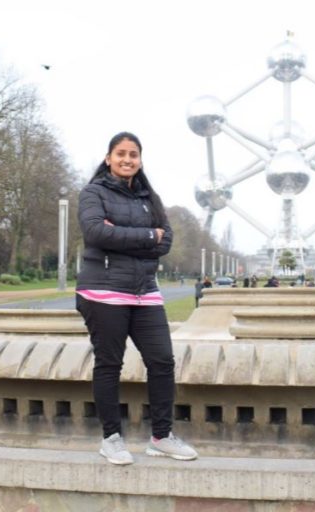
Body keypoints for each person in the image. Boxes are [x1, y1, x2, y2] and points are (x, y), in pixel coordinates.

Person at [75, 131, 197, 466]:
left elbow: (166, 240)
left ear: (140, 160)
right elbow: (97, 233)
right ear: (108, 157)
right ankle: (111, 438)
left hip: (145, 291)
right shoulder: (92, 193)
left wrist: (123, 236)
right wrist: (146, 235)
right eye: (121, 154)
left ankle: (161, 436)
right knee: (110, 363)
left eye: (134, 154)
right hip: (103, 290)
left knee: (162, 361)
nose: (127, 160)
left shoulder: (149, 198)